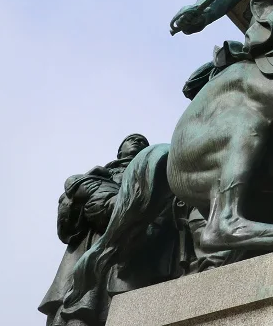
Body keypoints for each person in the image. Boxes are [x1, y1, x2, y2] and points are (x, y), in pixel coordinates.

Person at [39, 135, 183, 326]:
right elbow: (66, 227)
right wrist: (83, 196)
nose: (138, 142)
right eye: (131, 139)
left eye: (142, 142)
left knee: (131, 306)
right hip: (94, 241)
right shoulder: (95, 176)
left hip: (135, 244)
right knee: (81, 307)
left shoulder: (159, 172)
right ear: (119, 150)